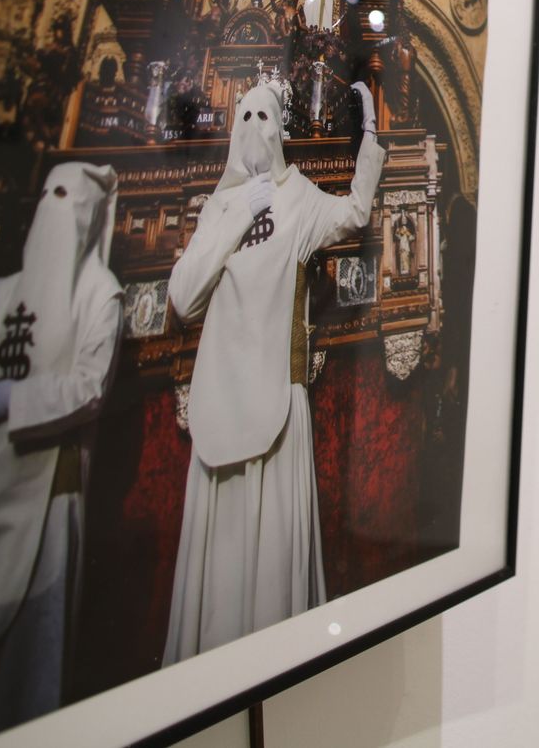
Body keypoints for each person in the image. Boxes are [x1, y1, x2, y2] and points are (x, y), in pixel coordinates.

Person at [163, 78, 385, 662]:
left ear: (281, 128)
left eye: (267, 117)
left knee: (272, 565)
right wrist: (238, 216)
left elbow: (356, 214)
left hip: (280, 403)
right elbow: (183, 298)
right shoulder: (222, 203)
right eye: (247, 117)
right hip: (221, 398)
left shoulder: (300, 197)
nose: (257, 127)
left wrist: (369, 138)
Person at [0, 163, 123, 743]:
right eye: (50, 200)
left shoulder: (100, 295)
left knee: (36, 651)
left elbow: (89, 387)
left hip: (50, 496)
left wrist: (17, 399)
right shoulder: (9, 291)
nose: (59, 215)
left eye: (70, 204)